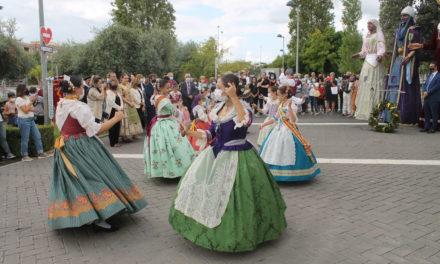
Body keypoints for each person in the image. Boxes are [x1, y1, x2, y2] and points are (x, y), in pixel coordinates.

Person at [169, 74, 286, 252]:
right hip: (215, 153)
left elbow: (245, 122)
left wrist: (233, 97)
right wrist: (188, 133)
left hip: (239, 155)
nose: (219, 90)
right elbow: (209, 134)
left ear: (231, 86)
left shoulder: (242, 107)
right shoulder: (218, 108)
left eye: (221, 86)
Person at [48, 76, 147, 231]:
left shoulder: (62, 103)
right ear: (76, 88)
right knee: (94, 177)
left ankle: (86, 215)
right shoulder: (79, 107)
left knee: (77, 180)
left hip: (66, 145)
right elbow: (95, 130)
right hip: (82, 146)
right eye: (82, 86)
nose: (83, 89)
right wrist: (116, 118)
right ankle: (100, 217)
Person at [259, 86, 320, 182]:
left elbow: (293, 120)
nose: (278, 97)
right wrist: (264, 124)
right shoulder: (281, 104)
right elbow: (275, 118)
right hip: (278, 130)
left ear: (285, 94)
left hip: (288, 130)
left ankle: (291, 174)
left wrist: (289, 108)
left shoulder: (291, 105)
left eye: (279, 95)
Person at [144, 77, 195, 179]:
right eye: (167, 88)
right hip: (166, 124)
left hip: (158, 124)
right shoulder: (165, 100)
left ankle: (163, 170)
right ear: (161, 88)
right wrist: (180, 110)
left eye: (170, 88)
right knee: (175, 145)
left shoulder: (156, 97)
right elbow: (175, 113)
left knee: (162, 147)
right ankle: (175, 169)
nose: (169, 90)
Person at [384, 6, 422, 125]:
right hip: (397, 62)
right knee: (393, 86)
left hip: (407, 64)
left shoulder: (414, 30)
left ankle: (404, 115)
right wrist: (392, 53)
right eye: (402, 15)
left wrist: (409, 56)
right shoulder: (398, 30)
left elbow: (416, 47)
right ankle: (390, 115)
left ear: (410, 17)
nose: (403, 18)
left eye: (405, 15)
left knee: (404, 88)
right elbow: (398, 46)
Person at [351, 19, 386, 120]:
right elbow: (364, 50)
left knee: (374, 82)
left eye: (370, 24)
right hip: (367, 60)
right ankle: (364, 110)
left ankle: (375, 109)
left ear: (375, 25)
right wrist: (358, 54)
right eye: (367, 24)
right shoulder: (367, 35)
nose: (368, 25)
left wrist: (380, 55)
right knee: (365, 82)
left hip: (375, 60)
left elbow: (381, 47)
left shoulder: (379, 34)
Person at [15, 84, 49, 161]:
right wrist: (30, 103)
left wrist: (29, 105)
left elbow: (33, 109)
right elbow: (26, 110)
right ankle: (24, 155)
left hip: (31, 119)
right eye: (24, 89)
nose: (26, 90)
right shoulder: (18, 99)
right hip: (23, 120)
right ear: (21, 90)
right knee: (25, 138)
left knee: (37, 136)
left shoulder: (27, 98)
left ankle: (40, 152)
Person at [119, 74, 143, 141]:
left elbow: (131, 95)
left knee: (134, 118)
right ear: (121, 78)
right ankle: (124, 136)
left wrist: (132, 102)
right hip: (125, 105)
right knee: (125, 120)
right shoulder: (119, 86)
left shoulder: (128, 85)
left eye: (127, 78)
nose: (127, 80)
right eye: (125, 78)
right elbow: (121, 97)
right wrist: (129, 103)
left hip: (131, 104)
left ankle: (134, 134)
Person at [420, 62, 440, 133]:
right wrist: (424, 91)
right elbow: (425, 85)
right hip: (426, 97)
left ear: (436, 67)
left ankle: (433, 128)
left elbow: (437, 86)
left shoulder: (439, 76)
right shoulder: (429, 76)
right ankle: (426, 127)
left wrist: (428, 92)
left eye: (432, 66)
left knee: (434, 114)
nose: (430, 68)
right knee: (427, 113)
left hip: (434, 98)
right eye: (430, 66)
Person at [105, 78, 124, 147]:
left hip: (118, 111)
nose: (114, 85)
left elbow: (121, 100)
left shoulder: (118, 93)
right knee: (112, 127)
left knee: (117, 126)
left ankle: (116, 141)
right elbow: (111, 102)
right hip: (112, 111)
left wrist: (121, 107)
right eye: (112, 83)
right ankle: (112, 142)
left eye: (115, 83)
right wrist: (119, 108)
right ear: (110, 84)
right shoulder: (108, 92)